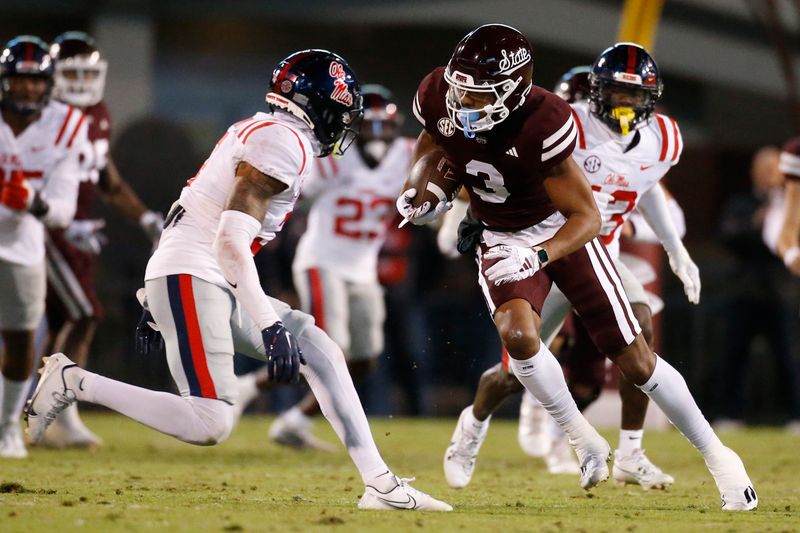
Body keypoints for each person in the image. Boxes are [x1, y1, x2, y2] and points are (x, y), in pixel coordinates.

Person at [26, 49, 451, 512]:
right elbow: (229, 240)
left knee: (322, 350)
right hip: (197, 272)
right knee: (210, 422)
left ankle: (381, 486)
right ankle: (73, 380)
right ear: (316, 105)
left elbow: (191, 209)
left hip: (198, 272)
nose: (343, 124)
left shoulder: (272, 131)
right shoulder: (282, 141)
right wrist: (268, 324)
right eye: (338, 111)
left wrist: (158, 285)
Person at [398, 25, 756, 510]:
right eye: (460, 88)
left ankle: (719, 459)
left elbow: (587, 216)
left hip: (563, 233)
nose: (462, 102)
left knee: (636, 354)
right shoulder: (437, 93)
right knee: (518, 347)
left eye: (477, 93)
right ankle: (578, 437)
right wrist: (428, 193)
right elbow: (434, 144)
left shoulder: (546, 120)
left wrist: (543, 253)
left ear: (513, 89)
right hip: (501, 235)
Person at [439, 58, 688, 489]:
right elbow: (486, 179)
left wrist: (675, 248)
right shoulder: (556, 126)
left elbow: (647, 189)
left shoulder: (657, 138)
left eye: (632, 94)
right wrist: (471, 214)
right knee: (514, 371)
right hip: (543, 253)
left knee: (639, 331)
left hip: (597, 254)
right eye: (615, 93)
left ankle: (631, 452)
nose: (624, 103)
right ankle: (473, 424)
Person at [235, 86, 414, 449]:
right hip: (322, 261)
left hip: (364, 270)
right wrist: (279, 273)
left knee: (364, 360)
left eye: (386, 128)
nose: (378, 137)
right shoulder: (333, 158)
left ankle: (295, 419)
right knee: (332, 351)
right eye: (371, 127)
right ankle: (248, 389)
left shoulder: (408, 157)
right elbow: (288, 204)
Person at [38, 31, 164, 449]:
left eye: (86, 73)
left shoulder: (97, 114)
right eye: (70, 73)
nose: (79, 83)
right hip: (41, 232)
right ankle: (53, 408)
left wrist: (144, 215)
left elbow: (106, 178)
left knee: (66, 321)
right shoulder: (41, 114)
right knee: (83, 314)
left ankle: (59, 413)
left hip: (76, 234)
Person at [0, 36, 87, 459]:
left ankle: (5, 429)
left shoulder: (67, 124)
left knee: (19, 343)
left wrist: (32, 201)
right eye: (19, 80)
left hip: (22, 244)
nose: (28, 89)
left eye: (36, 81)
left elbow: (64, 212)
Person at [717, 146, 800, 430]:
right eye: (763, 169)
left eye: (774, 169)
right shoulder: (741, 203)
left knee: (788, 357)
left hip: (781, 293)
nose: (769, 175)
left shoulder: (792, 205)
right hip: (744, 291)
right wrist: (757, 222)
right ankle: (731, 414)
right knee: (734, 355)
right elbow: (727, 236)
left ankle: (794, 415)